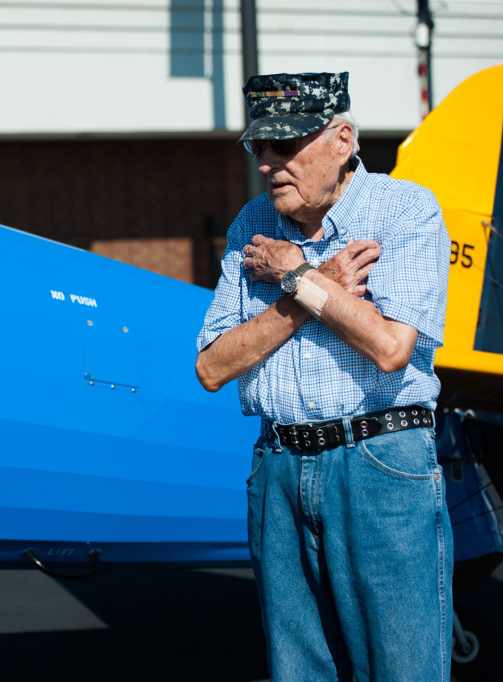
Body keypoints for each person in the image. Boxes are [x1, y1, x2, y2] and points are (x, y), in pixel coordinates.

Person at [195, 72, 452, 681]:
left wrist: (293, 274)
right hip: (279, 468)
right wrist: (317, 287)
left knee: (402, 670)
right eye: (260, 148)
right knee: (298, 671)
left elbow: (390, 347)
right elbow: (212, 366)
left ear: (342, 139)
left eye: (286, 146)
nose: (268, 164)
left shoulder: (405, 209)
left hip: (381, 464)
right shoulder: (251, 225)